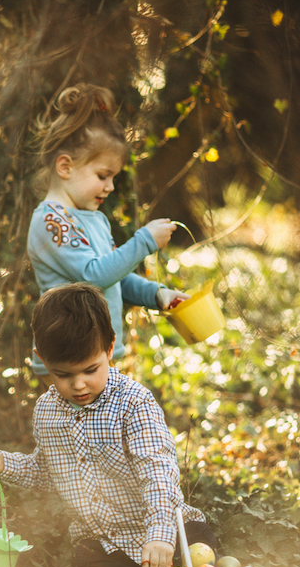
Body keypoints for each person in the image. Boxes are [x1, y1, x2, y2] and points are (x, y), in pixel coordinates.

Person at [0, 283, 217, 567]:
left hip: (172, 535)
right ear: (43, 360)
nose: (79, 384)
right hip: (104, 545)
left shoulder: (133, 404)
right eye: (63, 375)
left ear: (110, 349)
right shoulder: (47, 411)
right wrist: (6, 464)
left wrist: (160, 538)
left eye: (90, 369)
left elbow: (159, 476)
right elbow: (50, 472)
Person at [28, 83, 189, 380]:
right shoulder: (51, 221)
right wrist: (144, 242)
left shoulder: (94, 218)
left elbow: (113, 277)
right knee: (70, 428)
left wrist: (156, 294)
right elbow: (93, 276)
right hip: (65, 364)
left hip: (95, 356)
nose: (110, 186)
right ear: (65, 167)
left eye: (113, 177)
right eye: (103, 175)